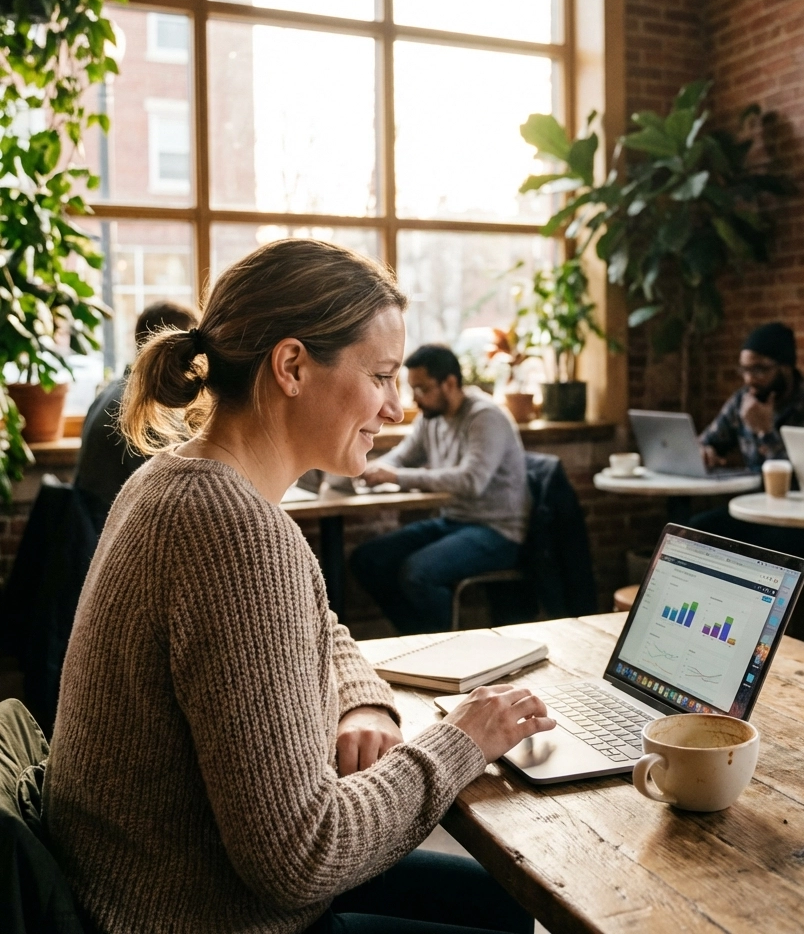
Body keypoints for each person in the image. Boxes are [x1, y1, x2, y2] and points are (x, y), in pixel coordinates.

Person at [44, 239, 554, 934]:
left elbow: (321, 626)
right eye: (380, 376)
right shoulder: (234, 533)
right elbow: (303, 856)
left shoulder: (174, 480)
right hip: (202, 914)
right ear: (291, 366)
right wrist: (462, 740)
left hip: (160, 889)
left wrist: (362, 705)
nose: (397, 408)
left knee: (508, 901)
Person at [350, 345, 530, 634]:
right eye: (413, 390)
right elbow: (402, 456)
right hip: (454, 522)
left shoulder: (485, 417)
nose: (416, 399)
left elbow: (471, 481)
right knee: (368, 560)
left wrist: (396, 477)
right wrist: (365, 469)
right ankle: (416, 636)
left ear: (450, 383)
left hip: (498, 531)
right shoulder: (430, 418)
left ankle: (441, 650)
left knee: (418, 573)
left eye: (422, 389)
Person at [688, 321, 804, 558]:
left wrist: (766, 433)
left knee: (755, 549)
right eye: (744, 370)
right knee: (695, 531)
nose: (749, 379)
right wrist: (705, 450)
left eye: (759, 370)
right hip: (754, 510)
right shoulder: (744, 400)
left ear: (786, 367)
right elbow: (709, 440)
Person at [74, 301, 198, 530]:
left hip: (94, 529)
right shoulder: (143, 408)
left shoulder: (114, 391)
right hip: (114, 532)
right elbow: (167, 497)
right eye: (194, 346)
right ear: (178, 349)